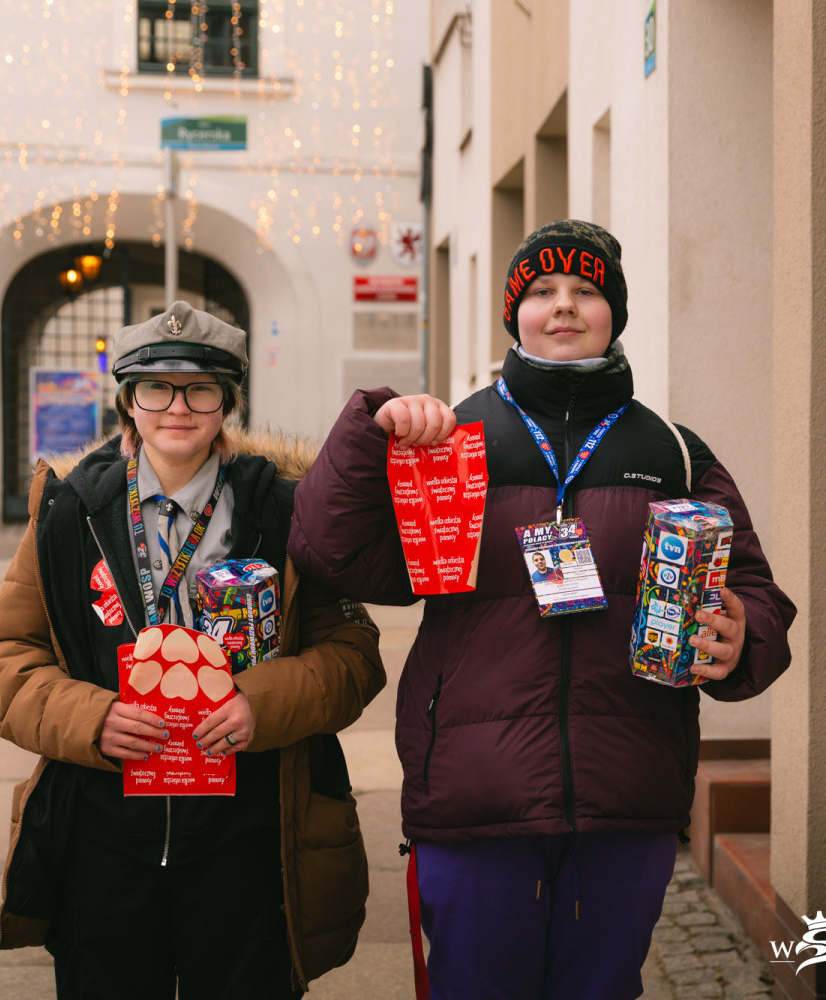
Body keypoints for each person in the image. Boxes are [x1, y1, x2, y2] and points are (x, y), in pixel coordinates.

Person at [288, 220, 796, 1000]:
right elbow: (333, 554)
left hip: (627, 791)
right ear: (513, 314)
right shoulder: (450, 440)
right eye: (542, 291)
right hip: (474, 791)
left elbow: (755, 592)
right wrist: (369, 435)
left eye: (586, 290)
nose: (563, 305)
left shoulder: (673, 453)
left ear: (614, 313)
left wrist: (742, 637)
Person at [0, 301, 387, 999]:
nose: (178, 407)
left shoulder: (288, 510)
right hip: (104, 831)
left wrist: (259, 705)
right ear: (127, 402)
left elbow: (352, 654)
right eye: (156, 388)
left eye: (201, 389)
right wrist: (92, 719)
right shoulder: (68, 512)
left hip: (250, 831)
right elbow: (9, 653)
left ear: (227, 403)